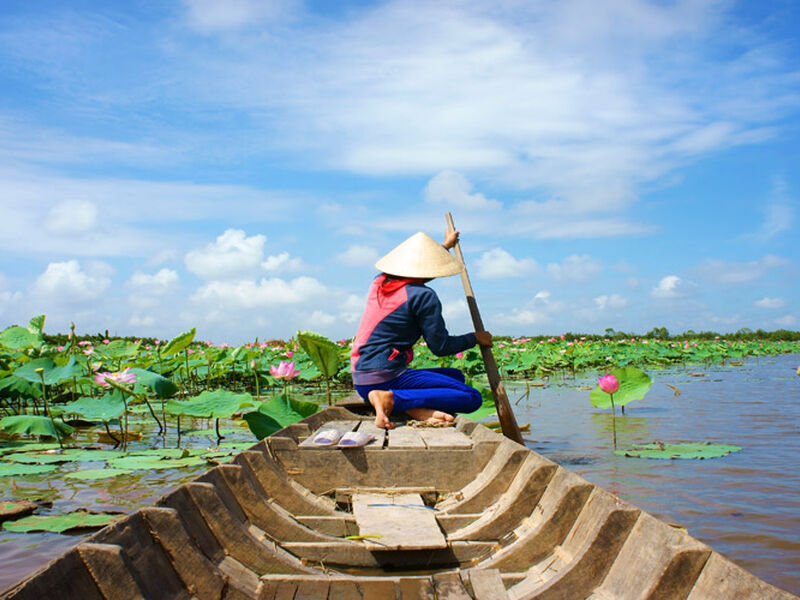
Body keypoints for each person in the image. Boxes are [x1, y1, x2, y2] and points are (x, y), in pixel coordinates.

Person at [350, 229, 493, 429]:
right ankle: (392, 399)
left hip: (361, 379)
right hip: (386, 377)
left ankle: (411, 407)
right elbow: (441, 347)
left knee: (455, 376)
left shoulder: (379, 282)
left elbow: (419, 269)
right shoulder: (424, 296)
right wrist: (475, 338)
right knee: (471, 397)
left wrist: (445, 246)